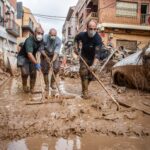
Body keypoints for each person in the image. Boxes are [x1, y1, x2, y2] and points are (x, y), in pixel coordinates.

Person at [74, 20, 103, 99]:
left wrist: (93, 66)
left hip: (93, 58)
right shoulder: (82, 35)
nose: (92, 31)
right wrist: (76, 47)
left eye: (94, 29)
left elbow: (97, 55)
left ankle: (84, 88)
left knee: (91, 76)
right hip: (84, 56)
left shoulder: (98, 39)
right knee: (84, 73)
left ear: (96, 29)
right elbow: (76, 39)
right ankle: (85, 92)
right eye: (90, 28)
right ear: (87, 28)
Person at [17, 26, 44, 93]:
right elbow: (29, 54)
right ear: (34, 33)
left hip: (32, 57)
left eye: (42, 33)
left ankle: (32, 89)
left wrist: (44, 56)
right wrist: (36, 64)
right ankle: (25, 86)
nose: (40, 35)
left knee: (33, 73)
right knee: (25, 73)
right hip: (24, 57)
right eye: (38, 33)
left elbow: (40, 49)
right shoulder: (29, 40)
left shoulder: (41, 40)